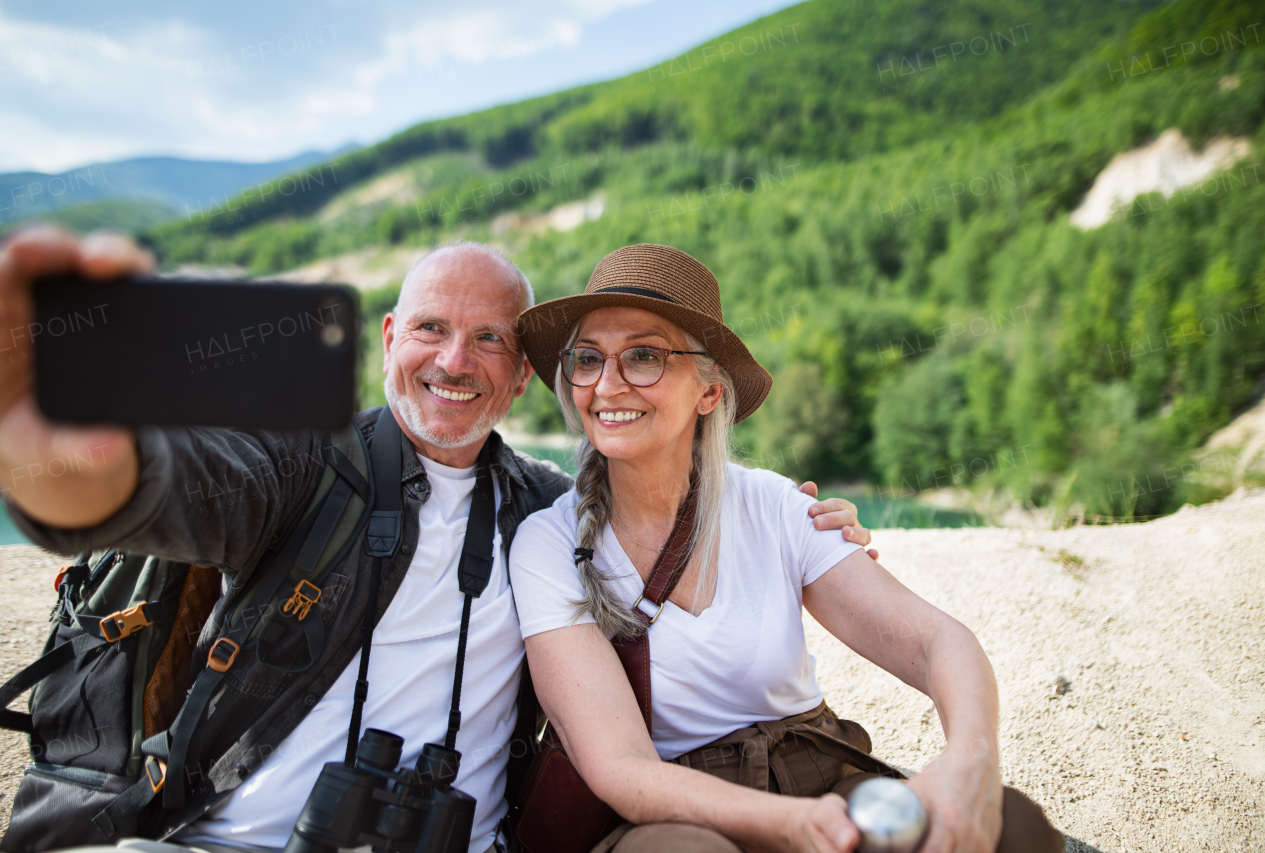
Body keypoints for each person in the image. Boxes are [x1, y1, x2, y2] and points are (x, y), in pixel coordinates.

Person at [0, 226, 873, 853]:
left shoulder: (552, 514)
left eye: (490, 337)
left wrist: (797, 523)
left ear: (523, 375)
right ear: (389, 340)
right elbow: (158, 485)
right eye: (430, 328)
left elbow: (671, 524)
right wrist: (46, 443)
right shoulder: (302, 462)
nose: (456, 361)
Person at [509, 244, 1064, 853]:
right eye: (587, 359)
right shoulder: (550, 544)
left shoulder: (776, 508)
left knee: (1015, 829)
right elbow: (622, 770)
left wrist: (971, 764)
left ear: (709, 392)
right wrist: (797, 830)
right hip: (676, 814)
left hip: (815, 777)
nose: (608, 383)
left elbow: (937, 642)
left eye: (644, 355)